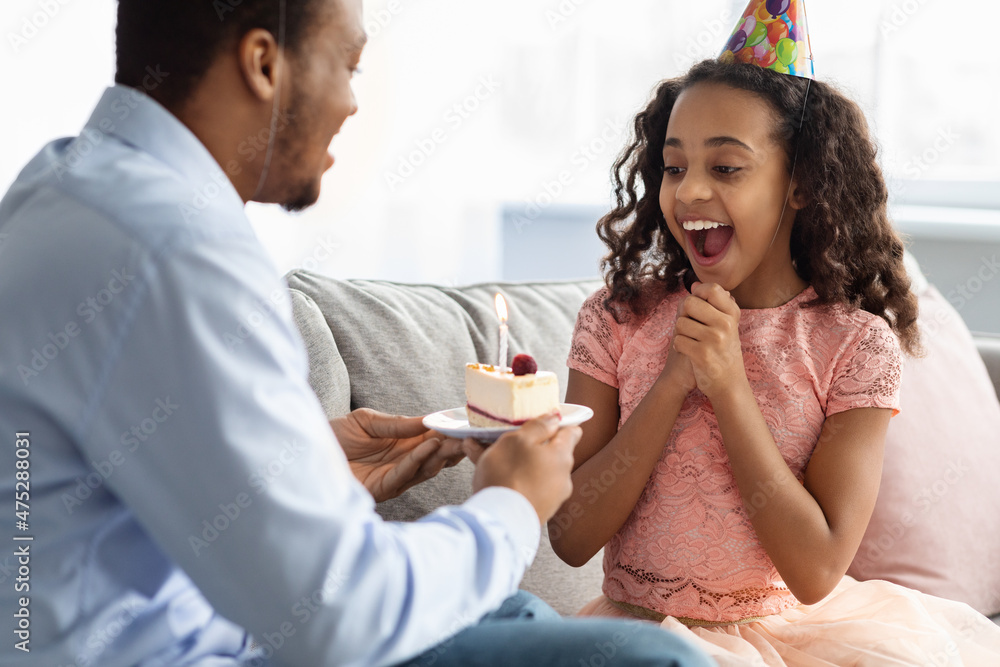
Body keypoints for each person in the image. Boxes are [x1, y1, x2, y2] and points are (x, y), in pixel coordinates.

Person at [0, 0, 720, 666]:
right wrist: (513, 505)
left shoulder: (56, 192)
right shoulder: (176, 249)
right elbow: (333, 616)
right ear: (263, 63)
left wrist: (300, 462)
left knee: (518, 611)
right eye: (349, 65)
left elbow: (118, 491)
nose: (351, 102)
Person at [547, 41, 1000, 667]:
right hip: (633, 640)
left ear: (800, 184)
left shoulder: (855, 345)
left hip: (788, 641)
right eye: (674, 168)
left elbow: (816, 569)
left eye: (726, 168)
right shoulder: (618, 317)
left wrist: (728, 386)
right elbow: (570, 536)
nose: (690, 193)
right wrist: (675, 380)